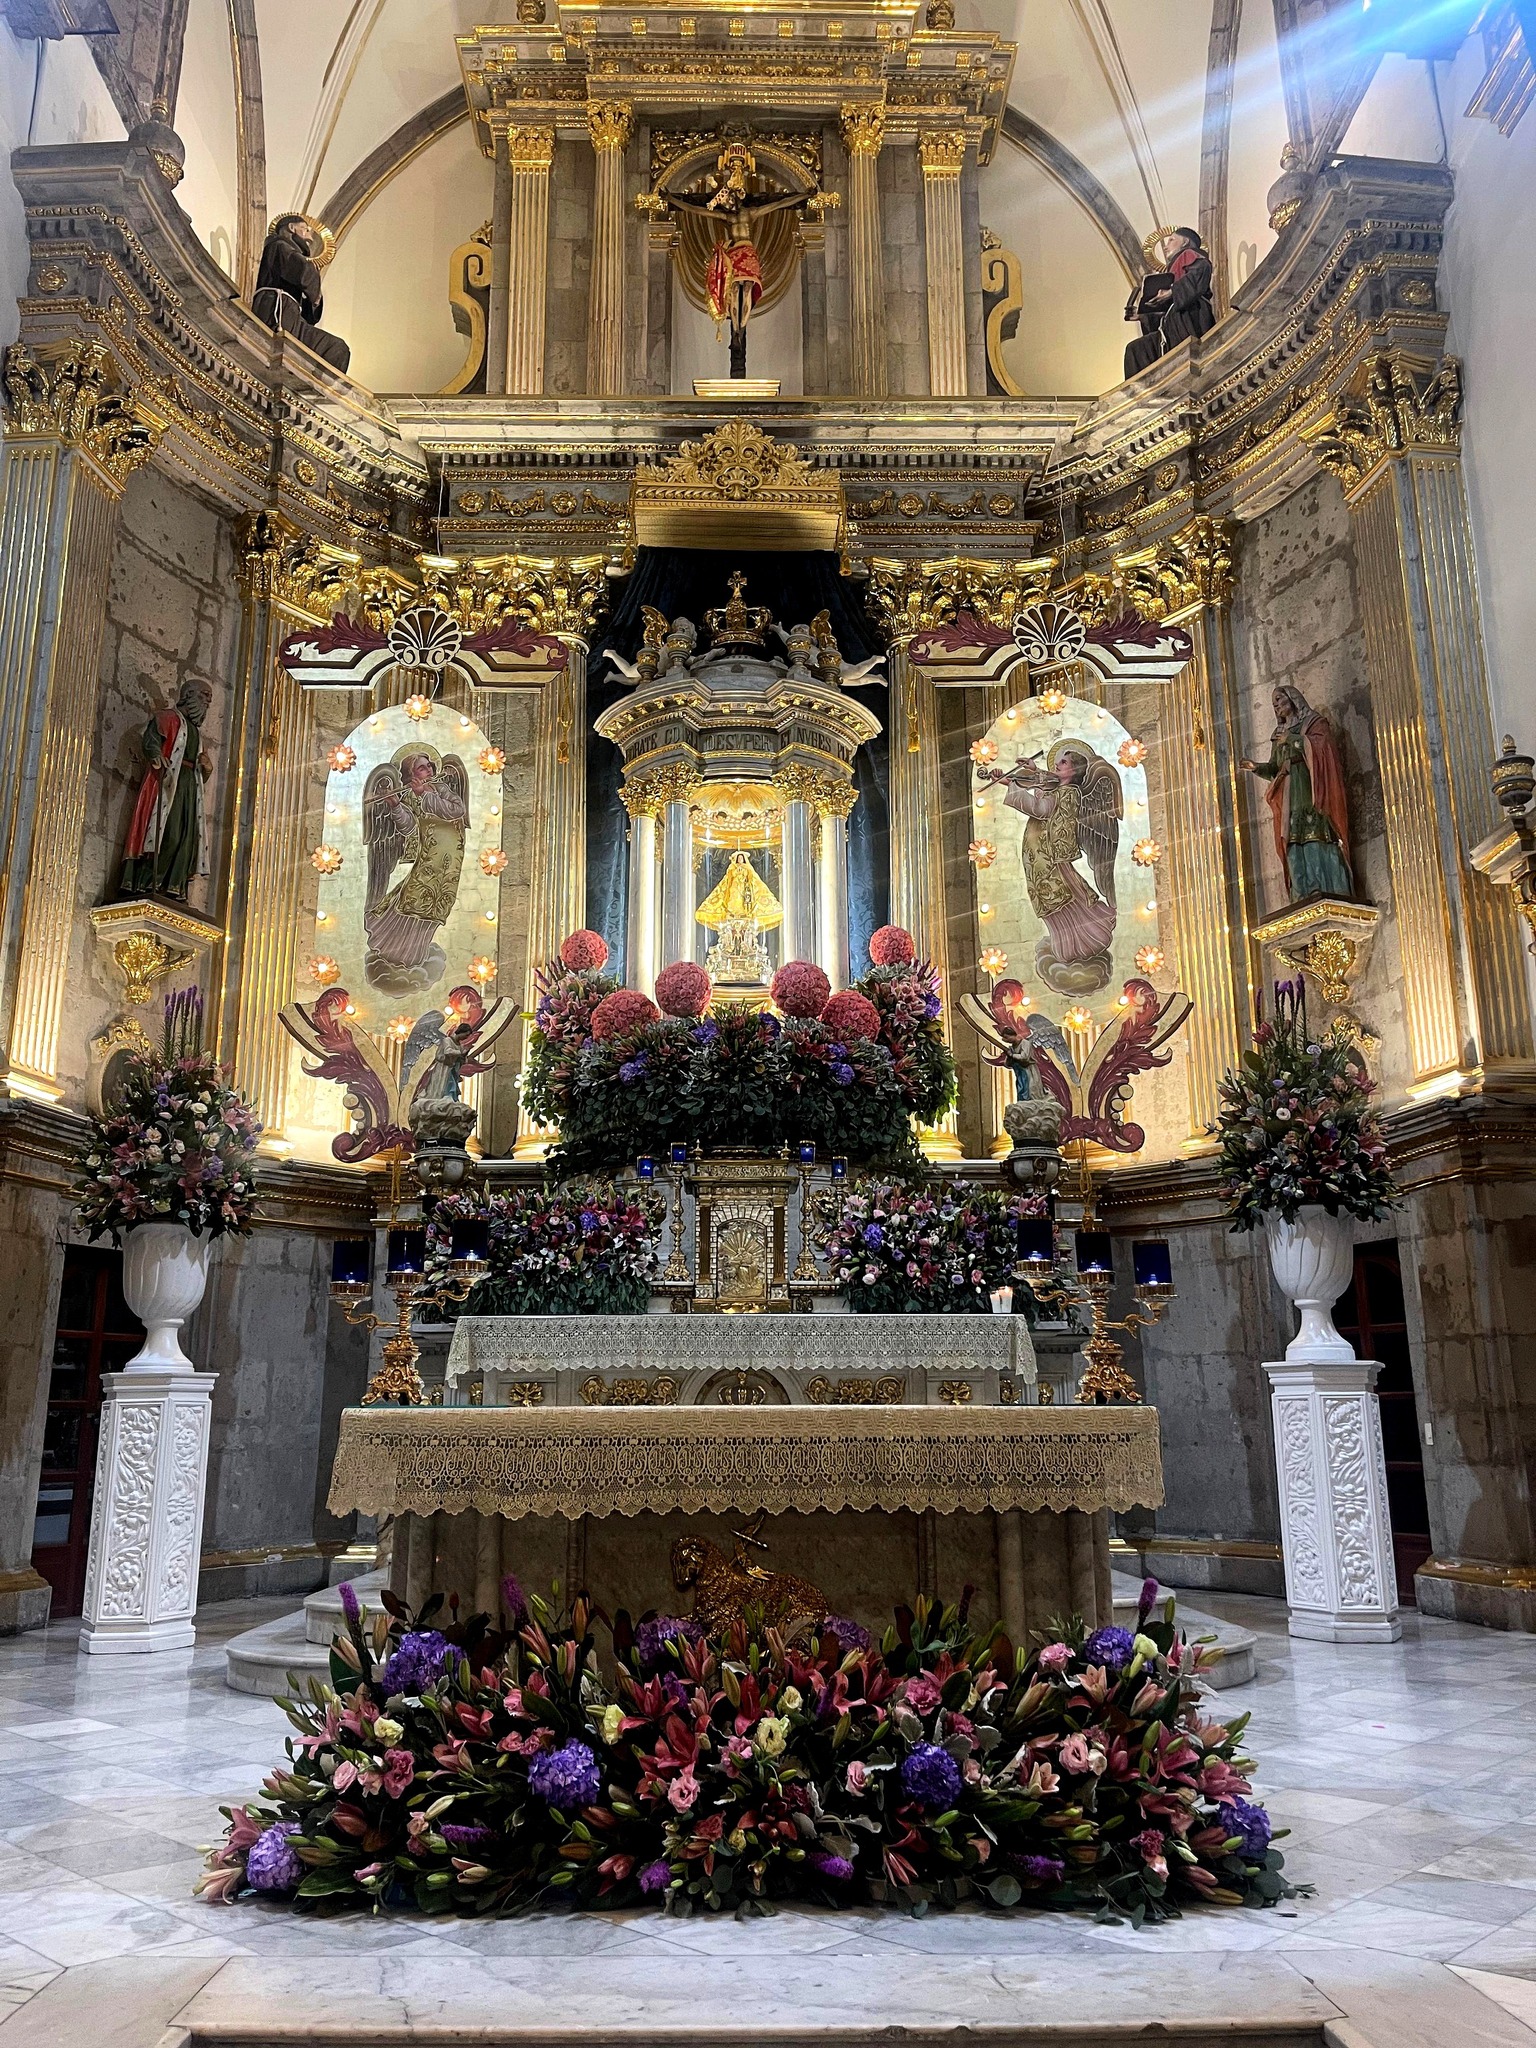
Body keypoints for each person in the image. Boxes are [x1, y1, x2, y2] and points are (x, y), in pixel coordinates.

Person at [1241, 686, 1353, 902]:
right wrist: (1256, 767)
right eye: (1273, 702)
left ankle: (1328, 887)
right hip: (1289, 794)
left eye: (1279, 699)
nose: (1276, 705)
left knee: (1315, 834)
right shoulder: (1278, 734)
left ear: (1293, 700)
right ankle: (1302, 893)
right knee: (1292, 839)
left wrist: (1292, 740)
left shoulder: (1313, 722)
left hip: (1311, 787)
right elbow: (1275, 767)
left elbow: (1324, 748)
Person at [119, 675, 214, 900]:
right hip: (170, 783)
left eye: (209, 699)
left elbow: (200, 763)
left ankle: (173, 885)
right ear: (189, 695)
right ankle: (147, 881)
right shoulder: (167, 718)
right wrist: (155, 755)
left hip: (190, 788)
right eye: (204, 696)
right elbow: (151, 739)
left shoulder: (196, 733)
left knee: (186, 837)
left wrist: (206, 767)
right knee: (166, 832)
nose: (207, 703)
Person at [252, 214, 351, 374]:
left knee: (336, 348)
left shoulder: (293, 256)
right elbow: (301, 269)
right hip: (278, 313)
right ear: (291, 228)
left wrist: (314, 297)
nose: (310, 238)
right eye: (305, 230)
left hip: (293, 319)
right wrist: (313, 285)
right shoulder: (278, 245)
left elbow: (310, 315)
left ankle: (321, 391)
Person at [1158, 227, 1216, 348]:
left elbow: (1199, 274)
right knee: (1135, 350)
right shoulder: (1171, 267)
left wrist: (1173, 292)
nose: (1165, 246)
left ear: (1185, 242)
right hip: (1171, 319)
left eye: (1171, 240)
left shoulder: (1191, 255)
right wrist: (1143, 315)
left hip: (1190, 312)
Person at [1124, 269, 1173, 377]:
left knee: (1135, 348)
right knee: (1134, 348)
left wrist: (1171, 292)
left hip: (1178, 332)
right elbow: (1164, 319)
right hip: (1167, 331)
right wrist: (1143, 317)